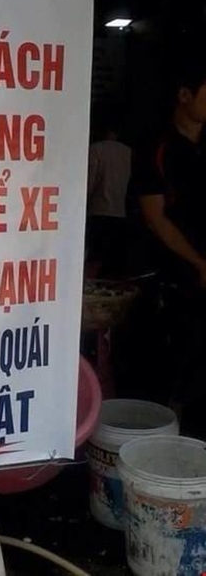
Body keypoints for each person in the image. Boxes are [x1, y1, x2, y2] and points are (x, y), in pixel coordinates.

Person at [132, 56, 206, 430]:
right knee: (164, 376)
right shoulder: (157, 148)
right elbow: (155, 217)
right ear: (184, 95)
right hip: (170, 279)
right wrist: (198, 263)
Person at [86, 121, 132, 278]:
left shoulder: (96, 149)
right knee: (114, 262)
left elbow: (90, 181)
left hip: (99, 210)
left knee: (95, 259)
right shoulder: (128, 152)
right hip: (121, 212)